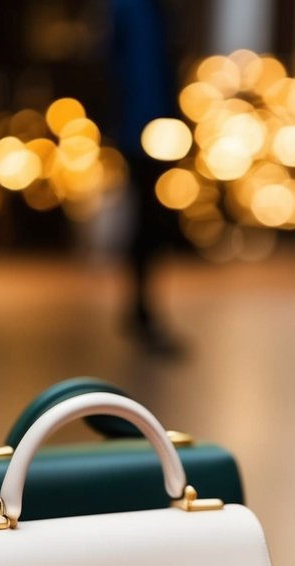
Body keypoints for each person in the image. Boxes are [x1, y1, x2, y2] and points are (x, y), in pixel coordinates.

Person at [106, 0, 185, 354]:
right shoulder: (130, 7)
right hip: (136, 126)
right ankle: (140, 310)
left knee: (153, 220)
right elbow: (115, 65)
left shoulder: (155, 10)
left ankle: (143, 309)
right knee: (145, 220)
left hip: (157, 126)